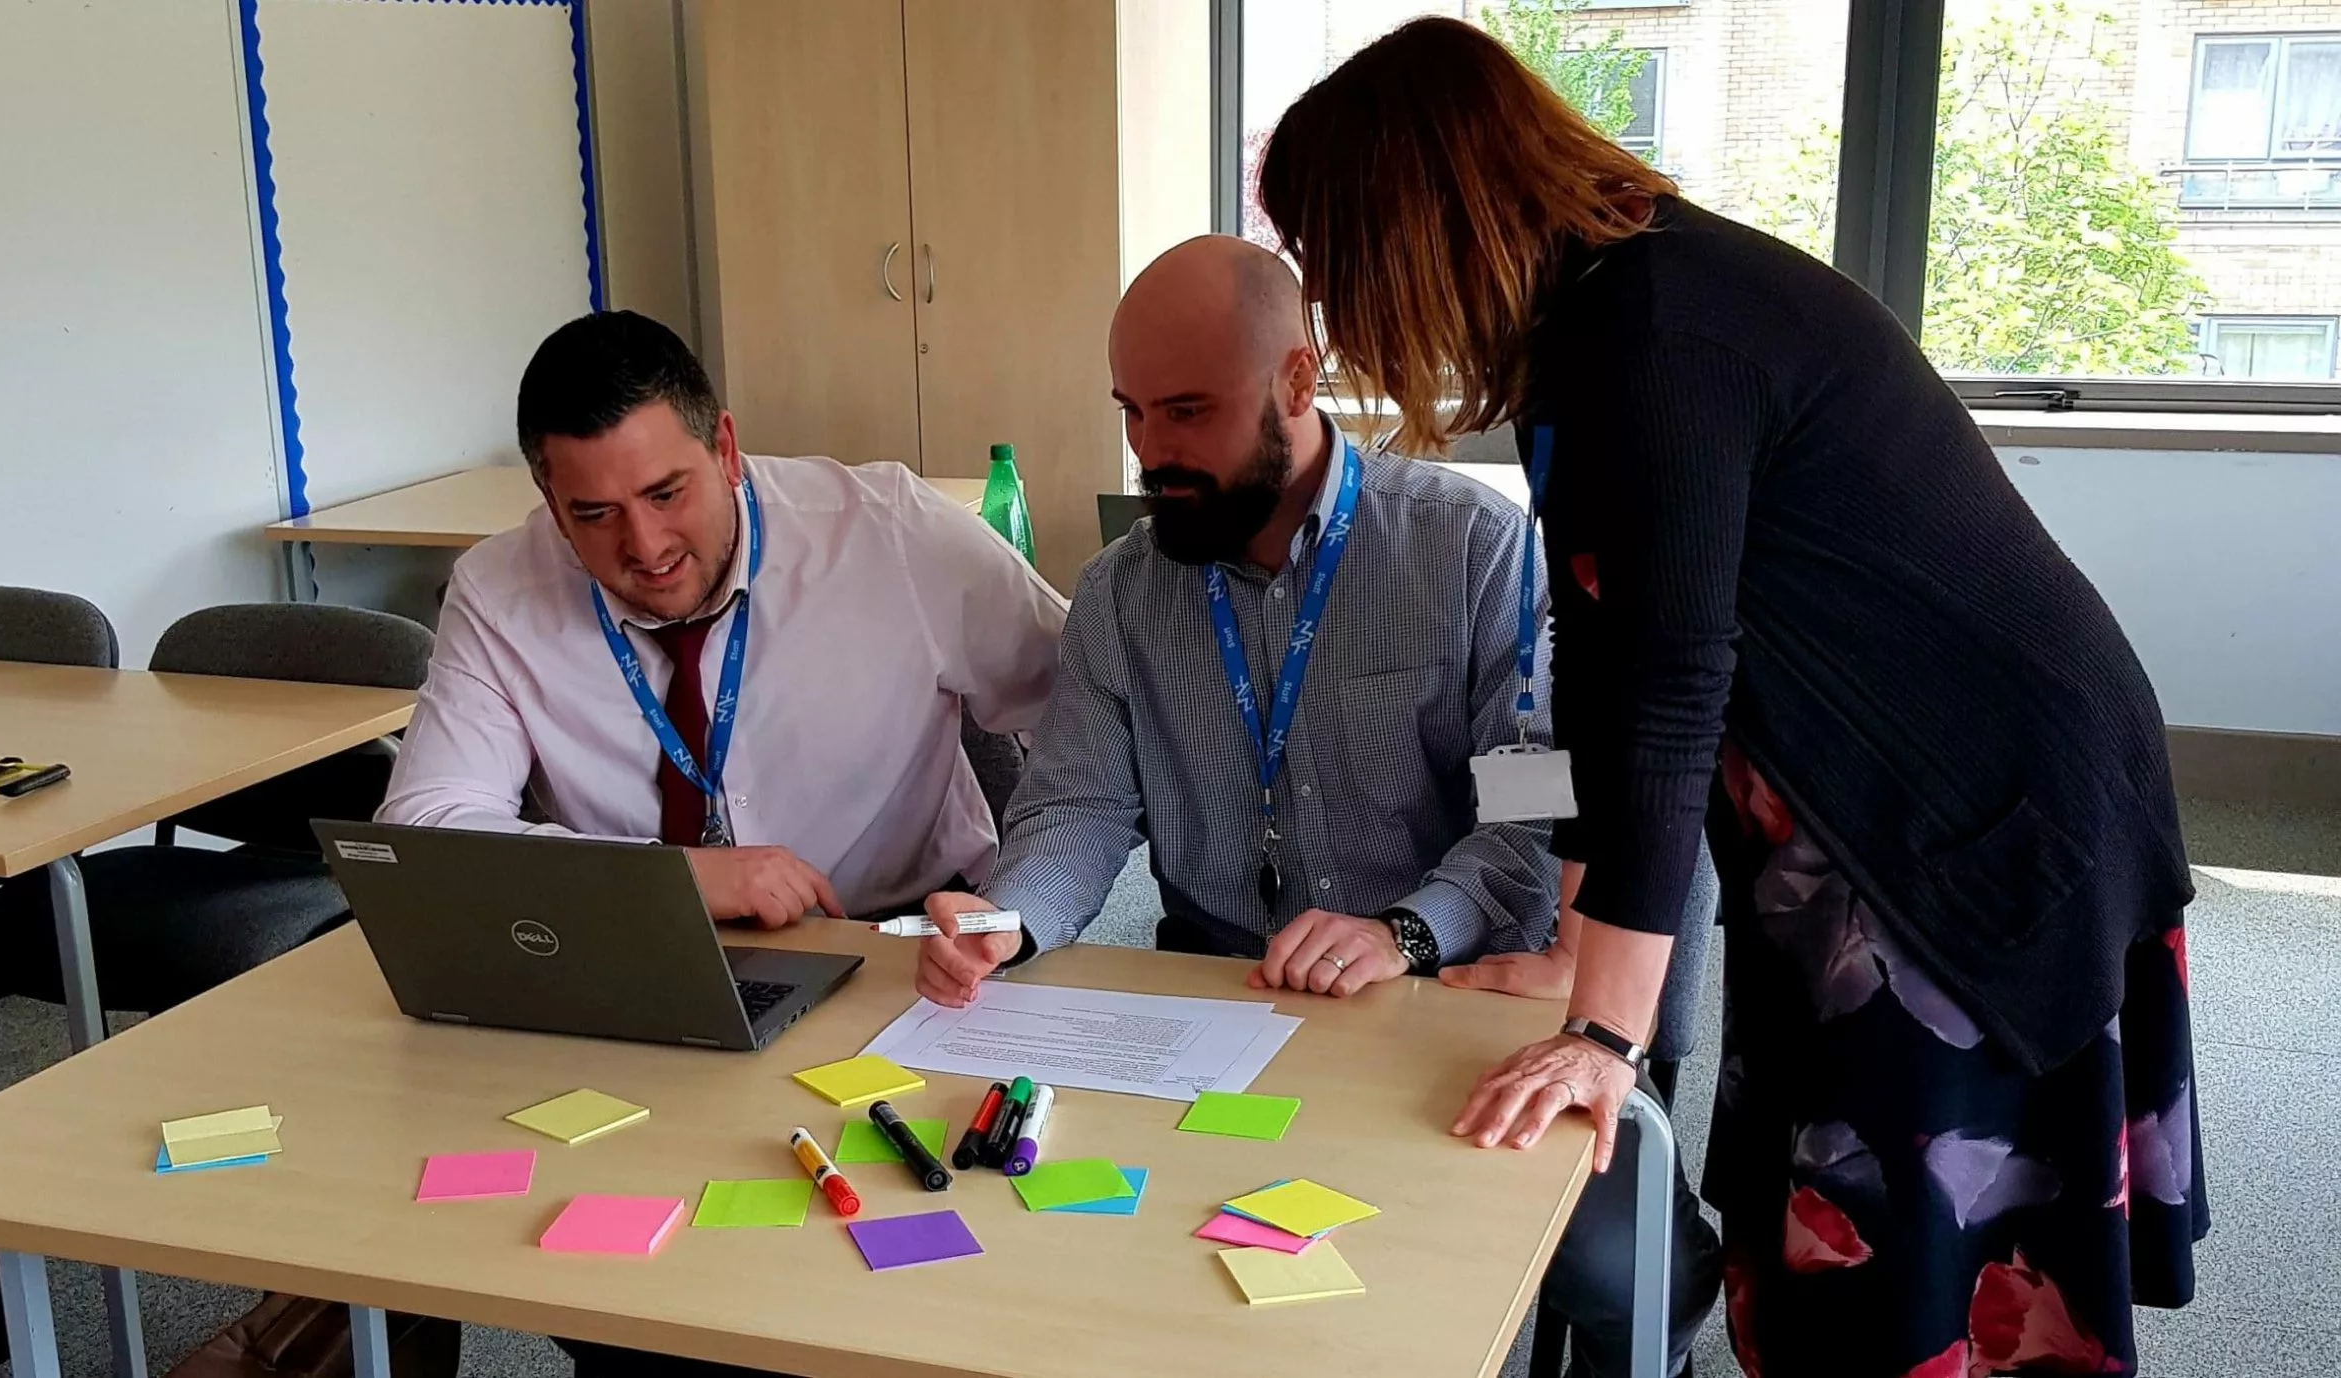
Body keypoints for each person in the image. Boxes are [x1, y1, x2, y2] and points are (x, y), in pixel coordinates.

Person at [1258, 20, 2206, 1378]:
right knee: (1810, 1222)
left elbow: (1646, 701)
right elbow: (1592, 685)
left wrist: (1586, 1012)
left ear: (1412, 225)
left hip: (1957, 817)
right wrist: (1570, 949)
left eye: (1330, 254)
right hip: (1789, 820)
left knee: (1918, 1267)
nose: (1331, 302)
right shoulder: (1580, 343)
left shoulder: (1652, 336)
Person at [918, 235, 1719, 1378]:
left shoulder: (1472, 549)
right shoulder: (1120, 594)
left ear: (1297, 380)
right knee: (1055, 1249)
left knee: (1618, 1266)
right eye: (1132, 413)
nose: (1151, 451)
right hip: (1219, 1006)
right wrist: (1010, 916)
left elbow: (1536, 808)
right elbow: (1077, 807)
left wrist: (1405, 929)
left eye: (1187, 410)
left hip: (1449, 1005)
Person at [379, 309, 1068, 928]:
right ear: (551, 500)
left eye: (666, 493)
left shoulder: (886, 531)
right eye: (594, 514)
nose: (646, 547)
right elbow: (424, 832)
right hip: (642, 937)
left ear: (726, 449)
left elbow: (1095, 702)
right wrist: (669, 879)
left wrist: (1027, 897)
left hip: (897, 934)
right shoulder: (499, 591)